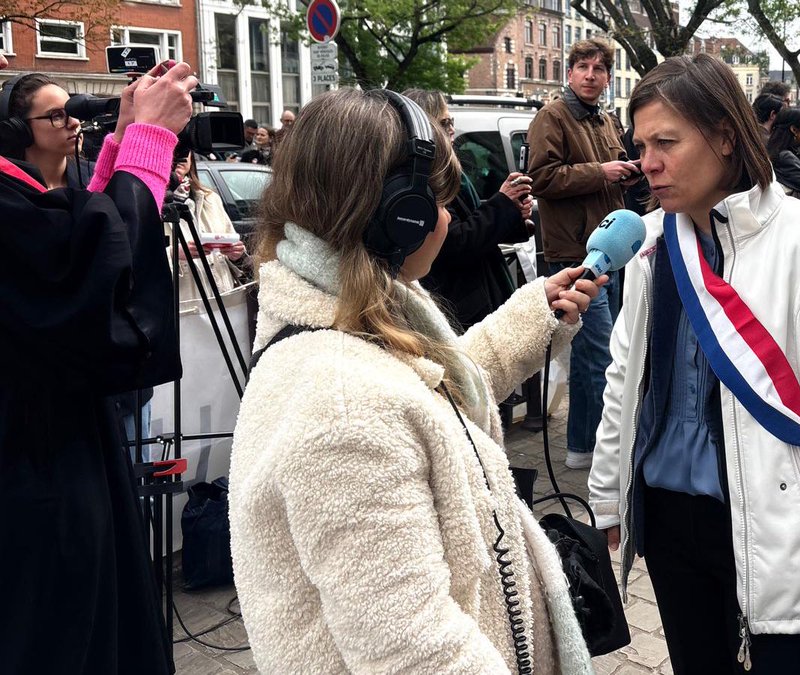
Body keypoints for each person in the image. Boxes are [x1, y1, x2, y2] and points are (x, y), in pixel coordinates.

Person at [229, 89, 597, 674]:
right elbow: (414, 650)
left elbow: (426, 393)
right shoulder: (343, 410)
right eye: (439, 201)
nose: (447, 218)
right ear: (400, 215)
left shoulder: (351, 330)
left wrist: (533, 316)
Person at [587, 53, 800, 675]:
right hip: (671, 515)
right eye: (641, 144)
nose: (648, 162)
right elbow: (623, 378)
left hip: (780, 515)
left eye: (667, 142)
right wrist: (607, 498)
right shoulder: (651, 242)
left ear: (726, 136)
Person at [1, 56, 197, 674]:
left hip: (54, 439)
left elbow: (80, 223)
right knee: (66, 625)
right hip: (36, 459)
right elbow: (89, 270)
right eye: (51, 114)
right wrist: (150, 141)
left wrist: (124, 138)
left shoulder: (21, 192)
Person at [527, 37, 638, 470]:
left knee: (599, 353)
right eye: (583, 67)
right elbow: (542, 178)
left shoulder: (606, 120)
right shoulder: (551, 116)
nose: (591, 75)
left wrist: (623, 176)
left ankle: (583, 447)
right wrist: (601, 172)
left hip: (612, 249)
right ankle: (592, 450)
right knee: (600, 354)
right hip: (576, 251)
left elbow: (611, 171)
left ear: (608, 77)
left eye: (599, 69)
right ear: (569, 72)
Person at [404, 87, 535, 329]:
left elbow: (473, 224)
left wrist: (514, 215)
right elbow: (457, 242)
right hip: (460, 304)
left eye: (451, 121)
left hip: (477, 292)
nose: (452, 129)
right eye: (444, 123)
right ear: (425, 128)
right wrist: (504, 202)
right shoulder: (423, 179)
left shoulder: (447, 170)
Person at [169, 149, 249, 302]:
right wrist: (173, 254)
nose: (181, 155)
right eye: (174, 146)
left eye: (186, 148)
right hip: (184, 311)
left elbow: (231, 243)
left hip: (224, 304)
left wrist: (236, 254)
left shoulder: (211, 198)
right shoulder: (145, 200)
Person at [0, 73, 94, 188]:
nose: (75, 123)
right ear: (20, 128)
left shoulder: (96, 178)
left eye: (74, 112)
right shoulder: (7, 192)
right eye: (57, 116)